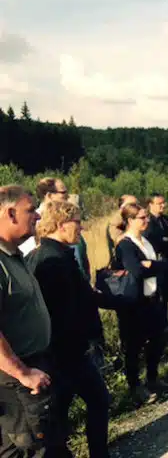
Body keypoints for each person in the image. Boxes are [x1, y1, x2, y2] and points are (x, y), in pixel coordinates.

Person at [27, 200, 113, 457]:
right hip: (63, 356)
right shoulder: (52, 262)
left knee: (90, 404)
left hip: (67, 354)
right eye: (77, 222)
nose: (82, 227)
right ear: (62, 225)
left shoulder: (56, 255)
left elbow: (84, 297)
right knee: (63, 418)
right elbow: (59, 314)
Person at [0, 185, 66, 456]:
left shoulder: (13, 256)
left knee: (48, 444)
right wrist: (22, 373)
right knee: (35, 448)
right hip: (18, 381)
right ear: (10, 213)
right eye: (31, 210)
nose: (38, 216)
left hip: (34, 369)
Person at [114, 203, 168, 404]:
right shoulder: (125, 245)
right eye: (141, 218)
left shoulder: (145, 241)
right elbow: (136, 272)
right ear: (130, 220)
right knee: (134, 348)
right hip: (134, 305)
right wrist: (155, 266)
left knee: (157, 341)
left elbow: (162, 265)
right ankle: (135, 387)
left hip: (152, 299)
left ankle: (153, 379)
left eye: (146, 217)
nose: (146, 220)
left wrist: (151, 265)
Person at [143, 193, 168, 327]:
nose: (163, 205)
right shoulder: (147, 221)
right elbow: (152, 242)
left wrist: (167, 239)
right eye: (159, 203)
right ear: (151, 205)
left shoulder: (165, 219)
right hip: (157, 261)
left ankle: (165, 322)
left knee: (167, 293)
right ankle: (158, 326)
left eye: (163, 202)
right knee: (158, 295)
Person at [18, 177, 69, 256]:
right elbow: (29, 250)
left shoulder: (67, 219)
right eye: (63, 192)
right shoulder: (34, 219)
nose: (67, 196)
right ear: (49, 195)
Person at [106, 194, 137, 261]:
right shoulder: (116, 221)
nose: (136, 207)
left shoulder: (129, 217)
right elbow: (118, 240)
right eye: (132, 205)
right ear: (123, 206)